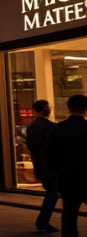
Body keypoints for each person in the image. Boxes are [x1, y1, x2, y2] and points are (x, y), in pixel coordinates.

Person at [50, 94, 87, 237]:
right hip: (86, 176)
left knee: (69, 212)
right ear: (85, 109)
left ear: (68, 108)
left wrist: (54, 174)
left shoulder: (58, 128)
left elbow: (50, 154)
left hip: (67, 177)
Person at [26, 98, 59, 232]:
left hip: (39, 164)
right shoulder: (50, 126)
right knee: (53, 192)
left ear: (35, 111)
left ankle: (43, 220)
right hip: (50, 165)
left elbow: (30, 145)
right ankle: (42, 220)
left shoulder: (31, 126)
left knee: (53, 191)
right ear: (47, 111)